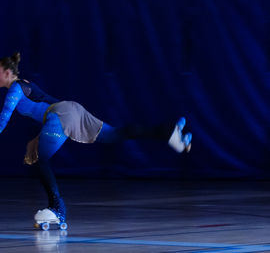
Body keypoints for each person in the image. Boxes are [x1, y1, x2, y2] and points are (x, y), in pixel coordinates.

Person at [0, 52, 192, 224]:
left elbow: (4, 118)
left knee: (40, 161)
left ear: (8, 72)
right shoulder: (24, 84)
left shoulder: (15, 90)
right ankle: (168, 133)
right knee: (116, 134)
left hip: (61, 115)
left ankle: (57, 209)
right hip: (71, 110)